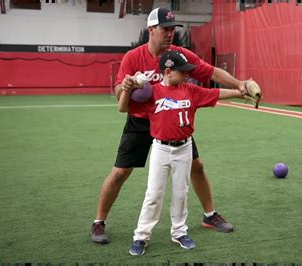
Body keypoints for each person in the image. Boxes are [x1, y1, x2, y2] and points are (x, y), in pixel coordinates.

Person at [91, 7, 251, 244]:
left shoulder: (178, 55)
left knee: (197, 165)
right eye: (165, 29)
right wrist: (126, 86)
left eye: (172, 30)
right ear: (151, 30)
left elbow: (211, 71)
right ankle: (98, 223)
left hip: (172, 121)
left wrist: (241, 85)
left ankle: (210, 215)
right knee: (120, 172)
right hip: (140, 121)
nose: (170, 34)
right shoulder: (133, 57)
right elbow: (119, 96)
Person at [118, 50, 246, 256]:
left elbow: (216, 94)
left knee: (181, 193)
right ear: (168, 72)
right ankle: (141, 236)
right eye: (182, 72)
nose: (187, 75)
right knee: (154, 194)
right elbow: (123, 108)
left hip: (184, 148)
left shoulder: (191, 90)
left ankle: (179, 232)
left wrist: (242, 90)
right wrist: (127, 89)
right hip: (160, 148)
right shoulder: (151, 92)